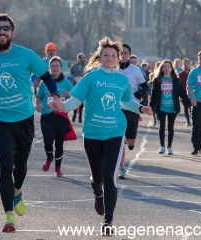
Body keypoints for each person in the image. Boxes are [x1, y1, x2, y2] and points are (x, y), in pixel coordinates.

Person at [51, 37, 152, 235]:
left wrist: (141, 108)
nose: (110, 58)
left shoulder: (122, 80)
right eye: (106, 55)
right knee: (97, 179)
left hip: (114, 132)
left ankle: (108, 221)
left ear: (119, 58)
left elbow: (127, 101)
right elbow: (76, 101)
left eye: (114, 55)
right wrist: (62, 106)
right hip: (92, 134)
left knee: (109, 177)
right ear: (100, 57)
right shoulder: (91, 77)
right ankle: (98, 195)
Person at [0, 13, 61, 233]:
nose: (2, 32)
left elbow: (46, 76)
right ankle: (9, 217)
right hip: (0, 120)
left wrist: (55, 95)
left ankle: (17, 190)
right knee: (5, 166)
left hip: (24, 119)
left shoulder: (26, 55)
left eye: (6, 28)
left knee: (20, 166)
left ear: (12, 32)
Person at [36, 56, 75, 177]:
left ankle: (58, 167)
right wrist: (37, 105)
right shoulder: (44, 83)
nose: (55, 68)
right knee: (47, 141)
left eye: (57, 66)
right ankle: (49, 157)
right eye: (52, 66)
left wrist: (69, 95)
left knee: (59, 144)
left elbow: (75, 99)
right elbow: (39, 97)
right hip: (47, 115)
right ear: (49, 68)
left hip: (61, 117)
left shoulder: (67, 83)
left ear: (61, 68)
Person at [117, 43, 148, 179]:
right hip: (117, 110)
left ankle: (130, 142)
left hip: (132, 108)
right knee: (118, 140)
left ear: (129, 55)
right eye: (121, 53)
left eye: (125, 53)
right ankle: (121, 167)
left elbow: (146, 87)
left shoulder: (135, 70)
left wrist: (140, 94)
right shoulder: (113, 70)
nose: (122, 55)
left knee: (130, 139)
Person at [149, 60, 191, 155]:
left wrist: (189, 102)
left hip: (172, 108)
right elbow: (153, 96)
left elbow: (182, 93)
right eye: (164, 66)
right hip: (161, 108)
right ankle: (162, 146)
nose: (166, 68)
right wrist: (150, 107)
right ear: (162, 69)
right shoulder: (157, 80)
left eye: (168, 66)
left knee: (170, 127)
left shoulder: (176, 80)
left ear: (172, 68)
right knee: (162, 126)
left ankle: (169, 147)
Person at [70, 52, 86, 122]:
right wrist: (73, 80)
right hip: (75, 86)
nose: (84, 59)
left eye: (84, 58)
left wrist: (84, 74)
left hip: (82, 87)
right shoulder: (74, 65)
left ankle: (80, 117)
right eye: (82, 58)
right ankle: (74, 116)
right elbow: (70, 75)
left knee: (81, 102)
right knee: (75, 100)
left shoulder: (86, 66)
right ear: (79, 58)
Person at [178, 58, 192, 126]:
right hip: (183, 94)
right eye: (184, 64)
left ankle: (194, 120)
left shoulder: (192, 73)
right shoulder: (180, 74)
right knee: (186, 107)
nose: (186, 65)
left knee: (192, 108)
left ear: (189, 64)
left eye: (187, 64)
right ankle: (188, 121)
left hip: (192, 93)